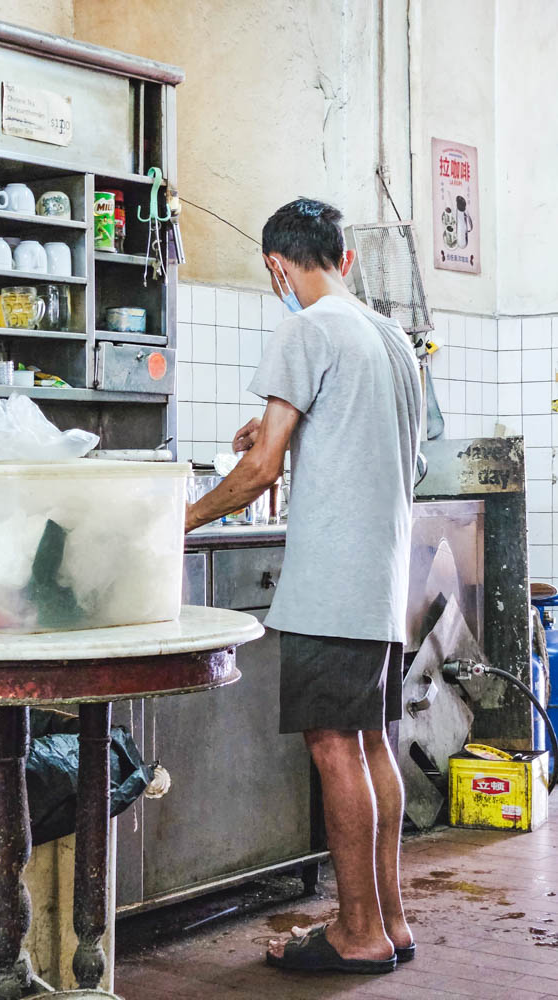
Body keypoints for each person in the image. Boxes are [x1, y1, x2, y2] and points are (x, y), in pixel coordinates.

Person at [184, 198, 422, 976]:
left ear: (277, 266)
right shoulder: (389, 338)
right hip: (382, 578)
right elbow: (393, 455)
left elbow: (256, 473)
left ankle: (355, 933)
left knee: (333, 747)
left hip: (330, 580)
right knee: (372, 740)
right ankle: (389, 922)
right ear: (345, 259)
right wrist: (287, 436)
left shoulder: (306, 327)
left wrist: (176, 522)